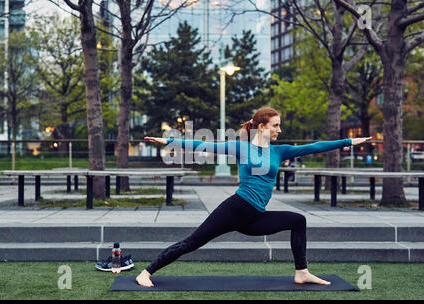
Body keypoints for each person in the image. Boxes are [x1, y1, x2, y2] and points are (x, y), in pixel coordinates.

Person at [137, 107, 371, 287]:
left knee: (298, 220)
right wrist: (168, 141)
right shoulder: (242, 147)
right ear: (261, 127)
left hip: (255, 217)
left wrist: (348, 141)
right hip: (235, 209)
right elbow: (203, 145)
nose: (279, 130)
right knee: (192, 243)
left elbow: (315, 146)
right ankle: (146, 272)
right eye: (276, 125)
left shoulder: (281, 151)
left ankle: (302, 272)